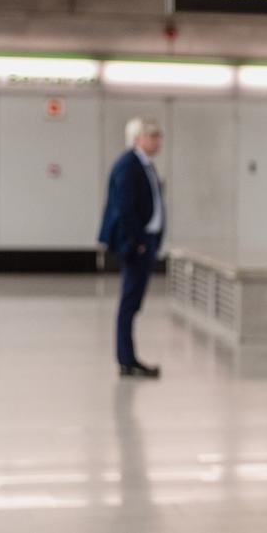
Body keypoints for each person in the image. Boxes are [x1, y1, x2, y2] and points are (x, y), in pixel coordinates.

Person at [98, 117, 167, 379]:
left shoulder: (144, 165)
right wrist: (138, 242)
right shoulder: (129, 166)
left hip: (146, 241)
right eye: (153, 136)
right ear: (138, 139)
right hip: (136, 243)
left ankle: (128, 358)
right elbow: (125, 209)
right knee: (129, 302)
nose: (158, 142)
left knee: (133, 302)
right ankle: (126, 359)